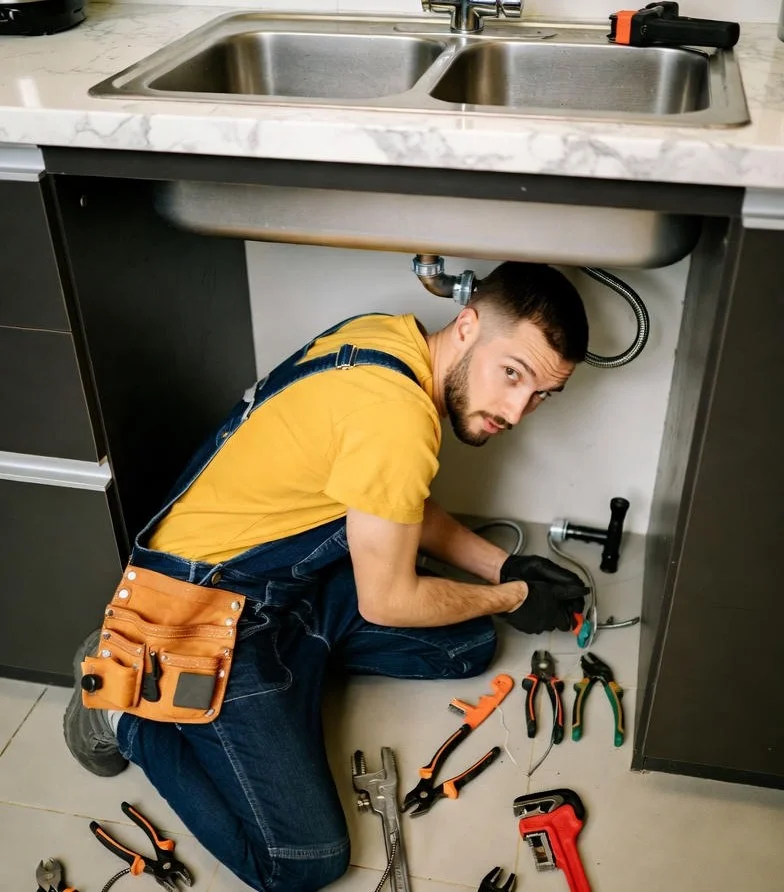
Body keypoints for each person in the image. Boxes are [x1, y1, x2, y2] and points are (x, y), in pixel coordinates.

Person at [64, 260, 589, 892]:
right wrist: (513, 595)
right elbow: (390, 601)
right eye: (513, 374)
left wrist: (503, 565)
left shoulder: (392, 339)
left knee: (467, 644)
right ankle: (126, 711)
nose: (517, 409)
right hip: (201, 613)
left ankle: (283, 676)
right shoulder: (397, 420)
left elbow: (392, 498)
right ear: (470, 324)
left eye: (540, 394)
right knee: (304, 862)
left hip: (279, 586)